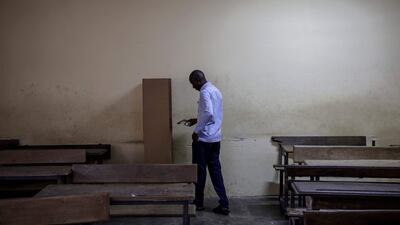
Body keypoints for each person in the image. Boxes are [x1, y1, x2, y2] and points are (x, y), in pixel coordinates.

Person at [184, 70, 230, 215]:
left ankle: (198, 203)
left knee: (200, 171)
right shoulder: (216, 90)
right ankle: (224, 204)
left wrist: (196, 131)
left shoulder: (204, 92)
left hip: (203, 140)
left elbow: (208, 113)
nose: (193, 87)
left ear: (198, 80)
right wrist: (196, 120)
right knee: (216, 171)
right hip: (215, 138)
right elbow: (213, 115)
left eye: (193, 84)